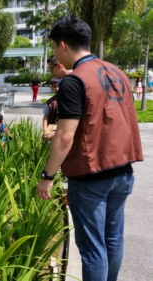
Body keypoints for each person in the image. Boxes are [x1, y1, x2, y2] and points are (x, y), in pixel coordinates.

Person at [36, 15, 143, 281]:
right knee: (112, 240)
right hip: (123, 172)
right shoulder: (117, 72)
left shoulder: (73, 81)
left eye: (53, 48)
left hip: (90, 176)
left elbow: (64, 136)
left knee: (94, 250)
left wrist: (47, 176)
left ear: (62, 45)